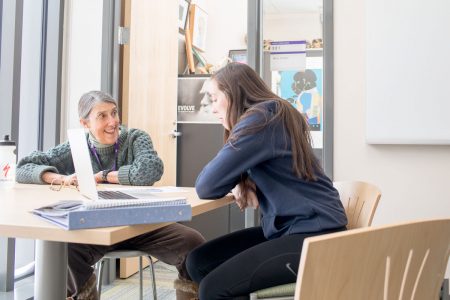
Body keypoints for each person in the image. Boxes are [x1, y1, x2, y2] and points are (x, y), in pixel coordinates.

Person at [16, 90, 203, 300]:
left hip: (141, 225)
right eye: (102, 116)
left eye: (114, 113)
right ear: (85, 123)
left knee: (193, 242)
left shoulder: (134, 138)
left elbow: (149, 170)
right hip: (95, 227)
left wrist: (104, 176)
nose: (112, 121)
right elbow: (23, 167)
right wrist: (59, 178)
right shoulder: (75, 147)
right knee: (66, 249)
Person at [186, 63, 348, 299]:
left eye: (214, 98)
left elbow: (206, 186)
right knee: (199, 261)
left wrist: (238, 178)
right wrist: (242, 181)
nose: (212, 109)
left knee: (214, 288)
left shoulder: (262, 119)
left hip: (314, 238)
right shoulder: (273, 114)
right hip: (298, 230)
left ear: (233, 94)